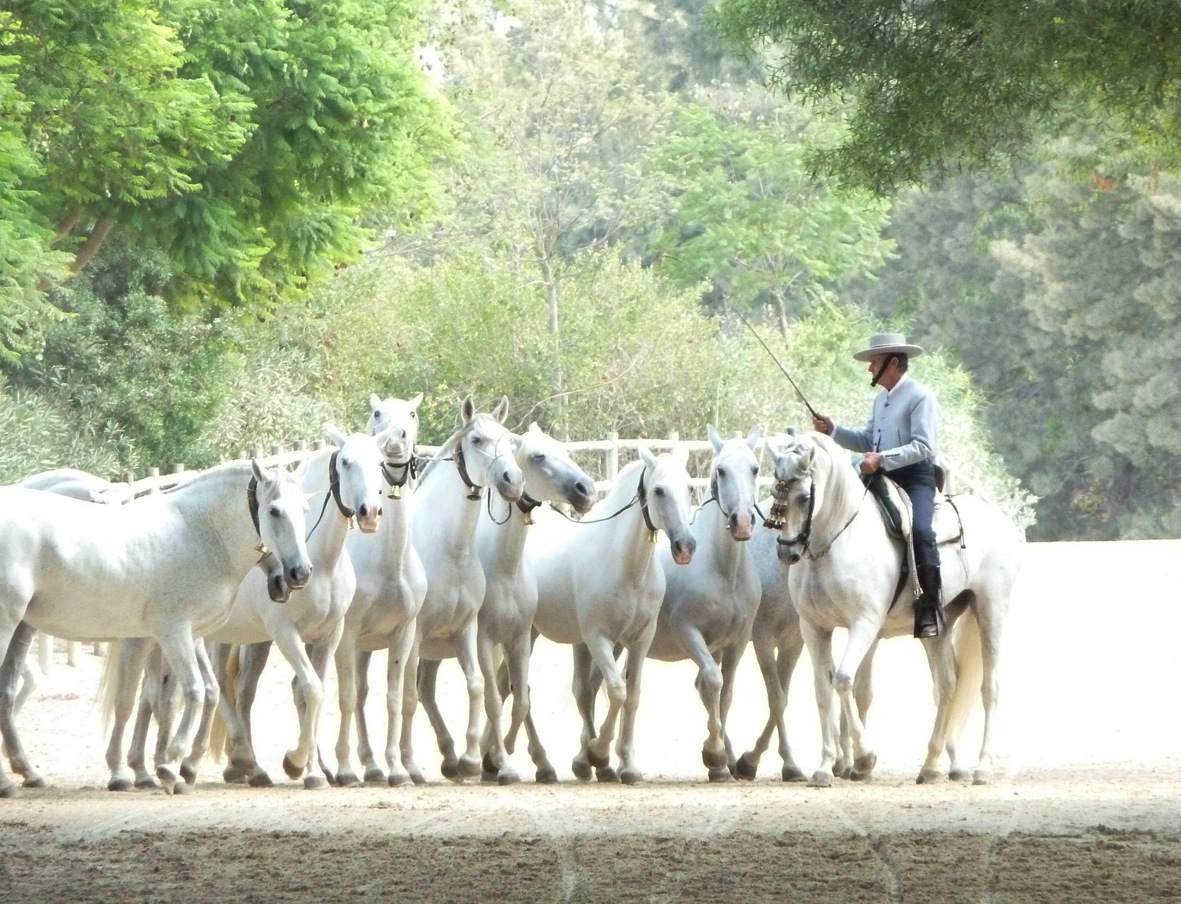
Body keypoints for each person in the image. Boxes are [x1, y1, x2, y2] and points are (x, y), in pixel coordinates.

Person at [810, 332, 942, 638]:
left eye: (874, 362)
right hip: (880, 474)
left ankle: (929, 606)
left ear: (893, 363)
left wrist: (881, 460)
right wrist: (834, 431)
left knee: (921, 532)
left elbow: (924, 446)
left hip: (914, 478)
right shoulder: (881, 399)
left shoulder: (921, 397)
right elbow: (869, 440)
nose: (870, 368)